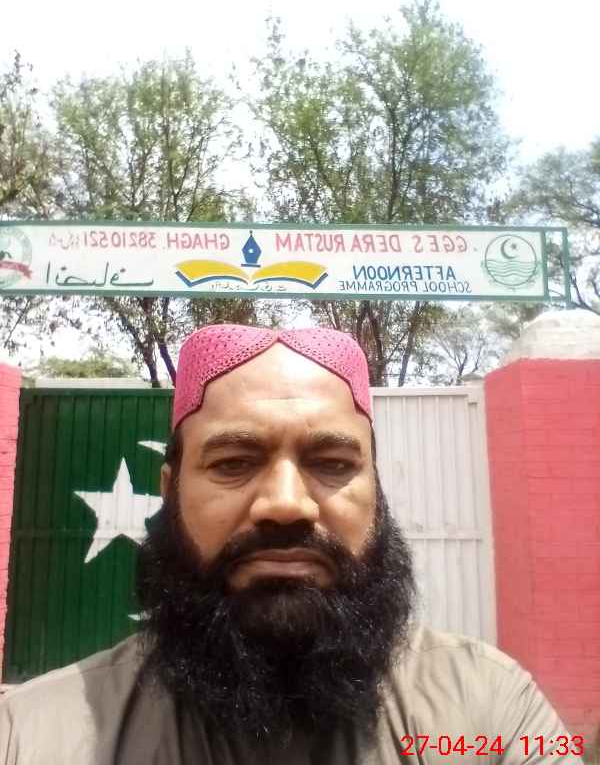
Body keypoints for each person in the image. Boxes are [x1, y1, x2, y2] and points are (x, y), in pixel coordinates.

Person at [0, 325, 583, 765]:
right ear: (170, 491)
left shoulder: (491, 710)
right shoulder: (31, 735)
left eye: (332, 463)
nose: (286, 504)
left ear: (376, 494)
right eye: (233, 462)